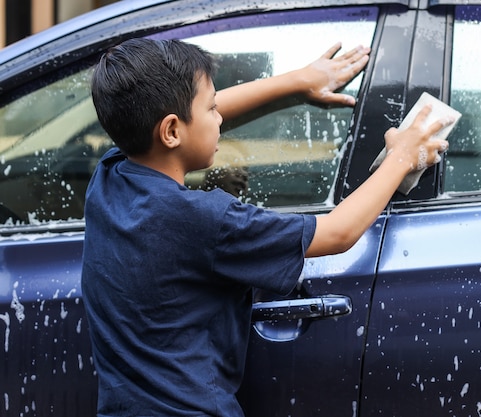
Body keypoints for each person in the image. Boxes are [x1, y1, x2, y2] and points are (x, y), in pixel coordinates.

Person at [81, 38, 449, 417]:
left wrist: (297, 82)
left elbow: (177, 118)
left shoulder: (109, 178)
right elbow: (339, 232)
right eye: (212, 109)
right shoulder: (207, 220)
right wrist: (403, 156)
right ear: (171, 131)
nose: (221, 115)